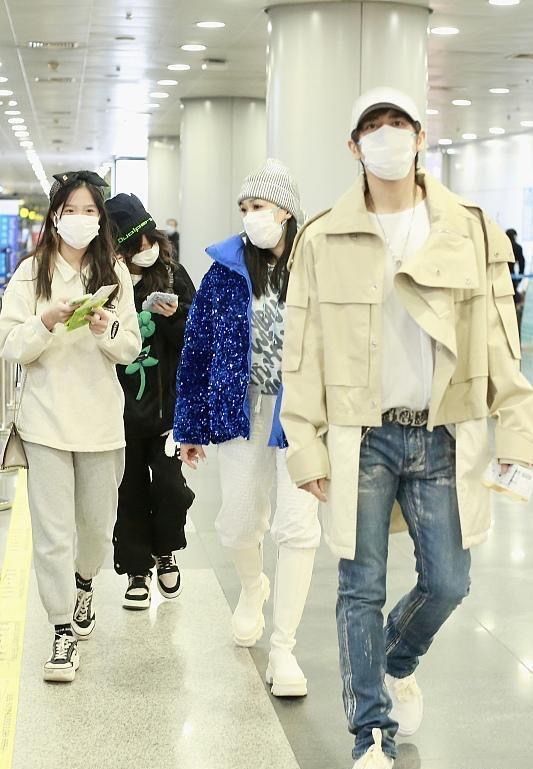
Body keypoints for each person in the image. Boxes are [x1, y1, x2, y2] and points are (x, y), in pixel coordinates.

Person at [281, 87, 533, 767]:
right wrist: (304, 446)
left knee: (449, 580)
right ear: (353, 145)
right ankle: (370, 731)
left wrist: (517, 432)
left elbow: (500, 340)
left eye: (399, 124)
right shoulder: (322, 237)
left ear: (421, 137)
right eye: (374, 126)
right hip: (360, 434)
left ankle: (394, 656)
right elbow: (301, 352)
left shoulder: (468, 228)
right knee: (358, 584)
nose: (387, 135)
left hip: (443, 432)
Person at [175, 159, 320, 698]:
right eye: (244, 207)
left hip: (302, 415)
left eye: (258, 206)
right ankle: (253, 586)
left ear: (285, 212)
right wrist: (189, 425)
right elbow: (196, 351)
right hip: (244, 413)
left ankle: (284, 647)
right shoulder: (224, 271)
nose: (249, 215)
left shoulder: (315, 267)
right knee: (238, 523)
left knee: (298, 528)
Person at [0, 170, 142, 682]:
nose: (80, 219)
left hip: (100, 422)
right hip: (45, 422)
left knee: (96, 527)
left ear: (100, 218)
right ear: (55, 216)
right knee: (52, 533)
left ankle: (85, 584)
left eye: (89, 211)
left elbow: (131, 348)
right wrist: (45, 321)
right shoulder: (31, 272)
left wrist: (107, 327)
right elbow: (10, 344)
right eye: (71, 210)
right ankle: (61, 628)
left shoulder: (115, 273)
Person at [105, 193, 196, 609]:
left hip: (166, 409)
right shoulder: (108, 283)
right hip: (119, 411)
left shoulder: (174, 276)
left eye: (148, 239)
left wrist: (172, 317)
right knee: (130, 491)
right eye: (133, 244)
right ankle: (136, 569)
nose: (145, 249)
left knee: (171, 488)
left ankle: (166, 550)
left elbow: (196, 337)